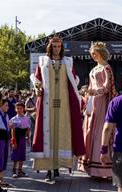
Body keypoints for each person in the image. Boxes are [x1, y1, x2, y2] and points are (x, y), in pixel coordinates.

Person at [30, 36, 85, 181]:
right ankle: (48, 170)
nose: (56, 49)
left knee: (61, 136)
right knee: (48, 135)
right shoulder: (43, 61)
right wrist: (37, 89)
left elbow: (74, 82)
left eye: (59, 46)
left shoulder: (68, 62)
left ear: (62, 48)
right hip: (47, 104)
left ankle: (57, 167)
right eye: (54, 46)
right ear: (50, 47)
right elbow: (37, 80)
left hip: (64, 106)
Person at [78, 41, 115, 178]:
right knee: (90, 131)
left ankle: (103, 169)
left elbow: (107, 87)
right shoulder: (94, 69)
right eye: (92, 53)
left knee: (99, 132)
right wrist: (87, 93)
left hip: (101, 103)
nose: (93, 55)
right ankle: (91, 166)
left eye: (95, 53)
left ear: (101, 52)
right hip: (92, 102)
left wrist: (94, 91)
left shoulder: (106, 68)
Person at [9, 102, 30, 178]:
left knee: (22, 154)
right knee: (15, 154)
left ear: (23, 109)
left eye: (20, 108)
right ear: (15, 109)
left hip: (22, 138)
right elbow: (12, 131)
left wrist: (28, 137)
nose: (19, 110)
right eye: (17, 108)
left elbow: (28, 129)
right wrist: (13, 140)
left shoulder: (26, 118)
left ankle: (20, 170)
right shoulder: (13, 119)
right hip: (16, 138)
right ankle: (14, 170)